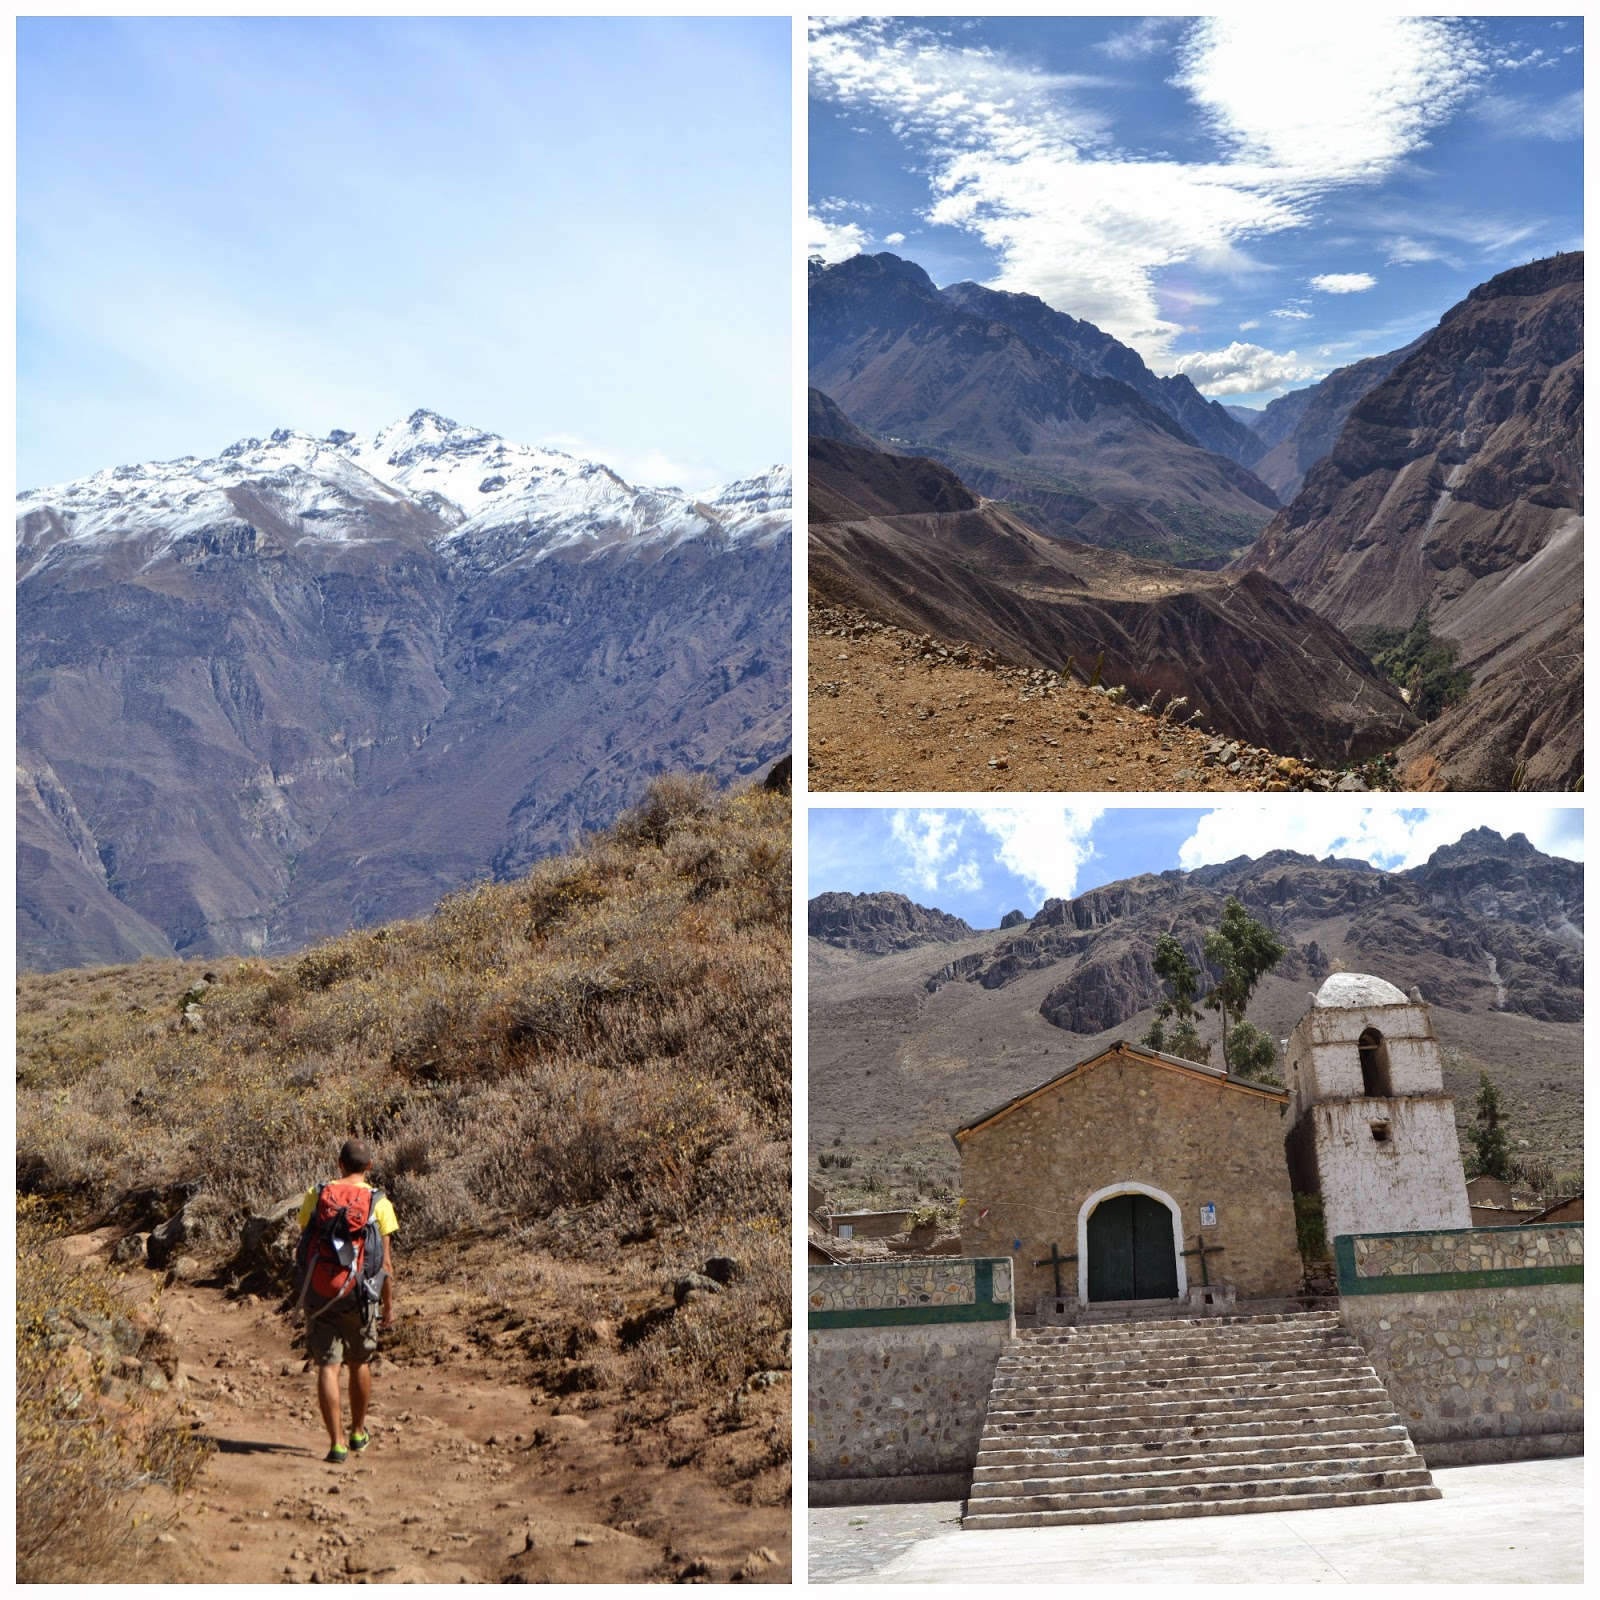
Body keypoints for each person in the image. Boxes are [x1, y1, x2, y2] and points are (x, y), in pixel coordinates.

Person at [297, 1138, 397, 1463]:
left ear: (339, 1164)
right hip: (360, 1297)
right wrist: (388, 1308)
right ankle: (357, 1432)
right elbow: (385, 1265)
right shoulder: (378, 1202)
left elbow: (306, 1240)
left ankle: (336, 1443)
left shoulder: (318, 1194)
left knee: (328, 1366)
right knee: (360, 1362)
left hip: (321, 1292)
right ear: (369, 1167)